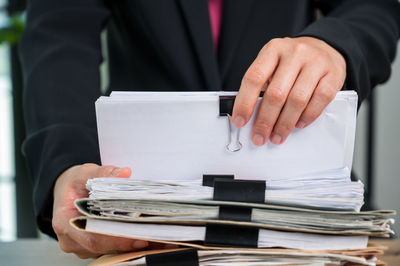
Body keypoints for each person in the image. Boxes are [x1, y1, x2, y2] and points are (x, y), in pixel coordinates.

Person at [19, 0, 400, 259]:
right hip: (145, 212)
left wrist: (333, 46)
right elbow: (60, 31)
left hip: (300, 203)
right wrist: (67, 160)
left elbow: (372, 6)